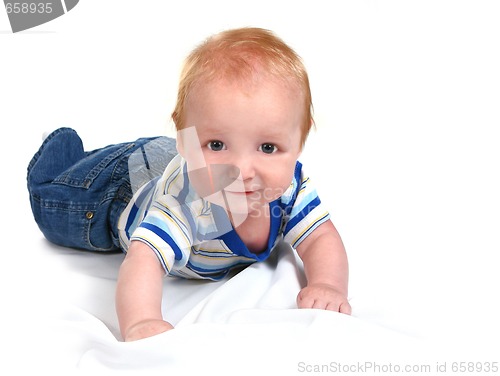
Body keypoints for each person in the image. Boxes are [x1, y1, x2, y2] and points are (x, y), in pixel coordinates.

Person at [27, 27, 351, 342]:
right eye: (217, 145)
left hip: (164, 159)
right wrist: (142, 321)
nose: (241, 170)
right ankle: (61, 149)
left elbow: (320, 235)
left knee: (149, 157)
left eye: (267, 147)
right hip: (114, 194)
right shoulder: (187, 205)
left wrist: (328, 284)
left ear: (300, 138)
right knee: (55, 201)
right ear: (184, 137)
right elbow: (144, 260)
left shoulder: (292, 186)